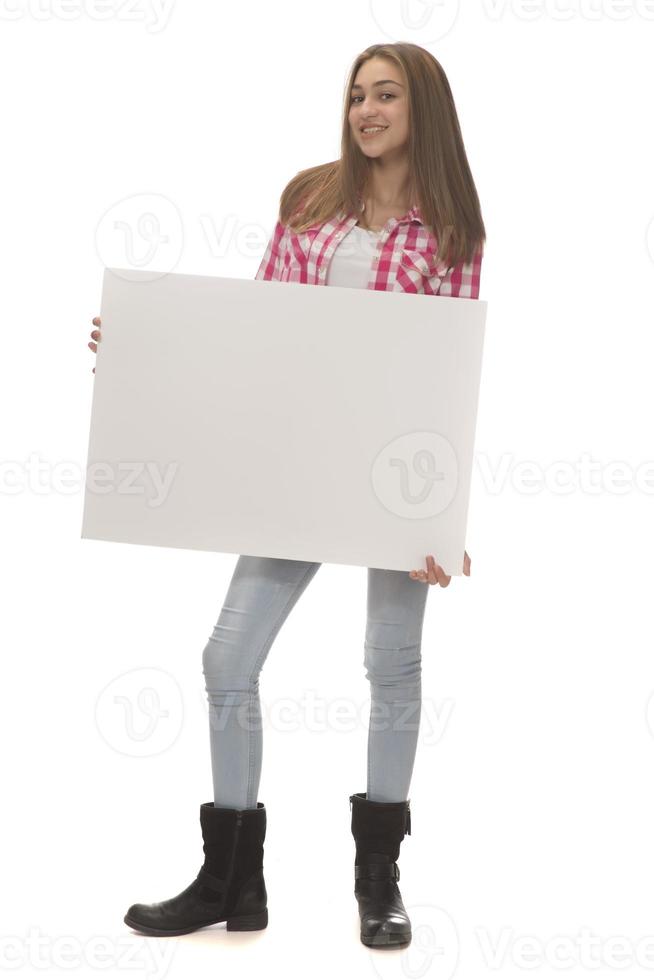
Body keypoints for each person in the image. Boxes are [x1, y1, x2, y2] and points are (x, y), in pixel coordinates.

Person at [87, 41, 485, 949]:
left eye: (385, 95)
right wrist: (148, 347)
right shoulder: (311, 197)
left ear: (422, 106)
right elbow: (258, 324)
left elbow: (446, 379)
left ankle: (378, 879)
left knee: (394, 664)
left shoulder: (454, 227)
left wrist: (443, 517)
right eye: (355, 96)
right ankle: (232, 879)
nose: (367, 111)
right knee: (228, 658)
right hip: (296, 458)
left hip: (389, 473)